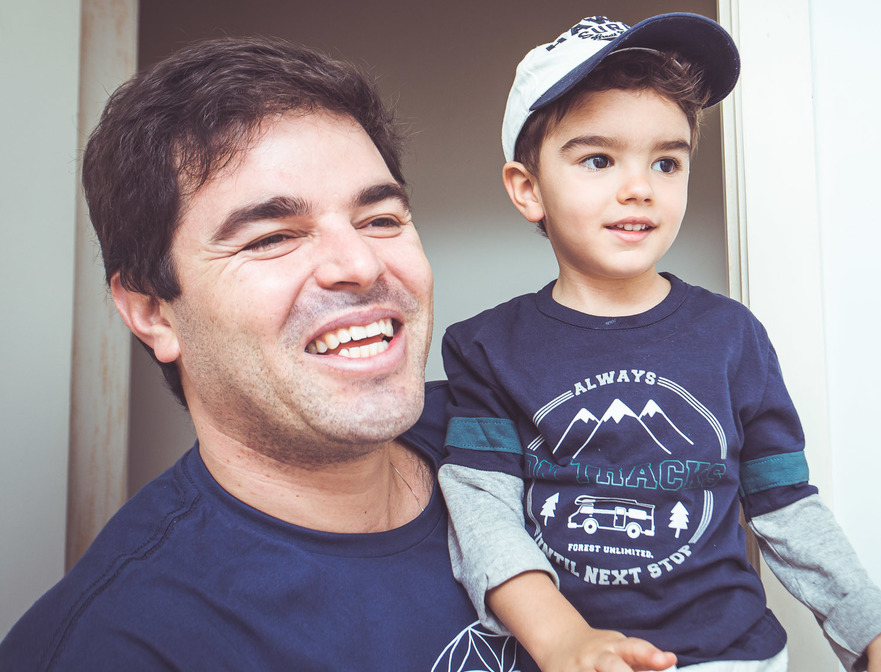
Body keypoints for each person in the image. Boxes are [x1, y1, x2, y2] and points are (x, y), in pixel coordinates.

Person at [0, 37, 523, 672]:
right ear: (152, 312)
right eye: (272, 237)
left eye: (381, 219)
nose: (359, 264)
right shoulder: (117, 644)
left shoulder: (524, 431)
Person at [438, 14, 881, 672]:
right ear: (528, 189)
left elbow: (785, 505)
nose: (640, 186)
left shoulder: (732, 337)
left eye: (666, 161)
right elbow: (481, 509)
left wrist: (874, 632)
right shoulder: (488, 347)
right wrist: (560, 638)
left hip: (732, 658)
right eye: (599, 159)